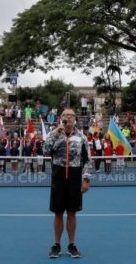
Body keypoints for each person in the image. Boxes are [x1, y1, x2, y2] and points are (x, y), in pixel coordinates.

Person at [43, 109, 91, 259]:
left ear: (75, 119)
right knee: (58, 213)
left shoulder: (81, 137)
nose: (68, 118)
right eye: (65, 115)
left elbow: (87, 160)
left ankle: (72, 244)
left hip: (75, 180)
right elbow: (45, 151)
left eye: (71, 116)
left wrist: (86, 179)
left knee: (72, 213)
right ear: (60, 118)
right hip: (58, 179)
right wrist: (56, 134)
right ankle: (56, 245)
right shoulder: (53, 134)